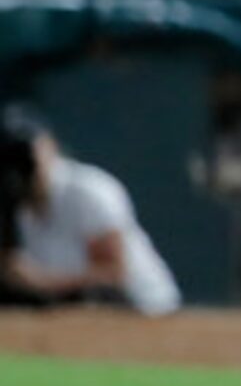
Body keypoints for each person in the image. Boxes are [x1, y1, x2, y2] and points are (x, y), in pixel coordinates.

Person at [0, 109, 179, 315]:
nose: (19, 168)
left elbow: (114, 275)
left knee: (96, 294)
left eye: (24, 154)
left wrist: (40, 281)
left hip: (142, 309)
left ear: (50, 145)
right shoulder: (12, 203)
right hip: (69, 311)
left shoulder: (88, 189)